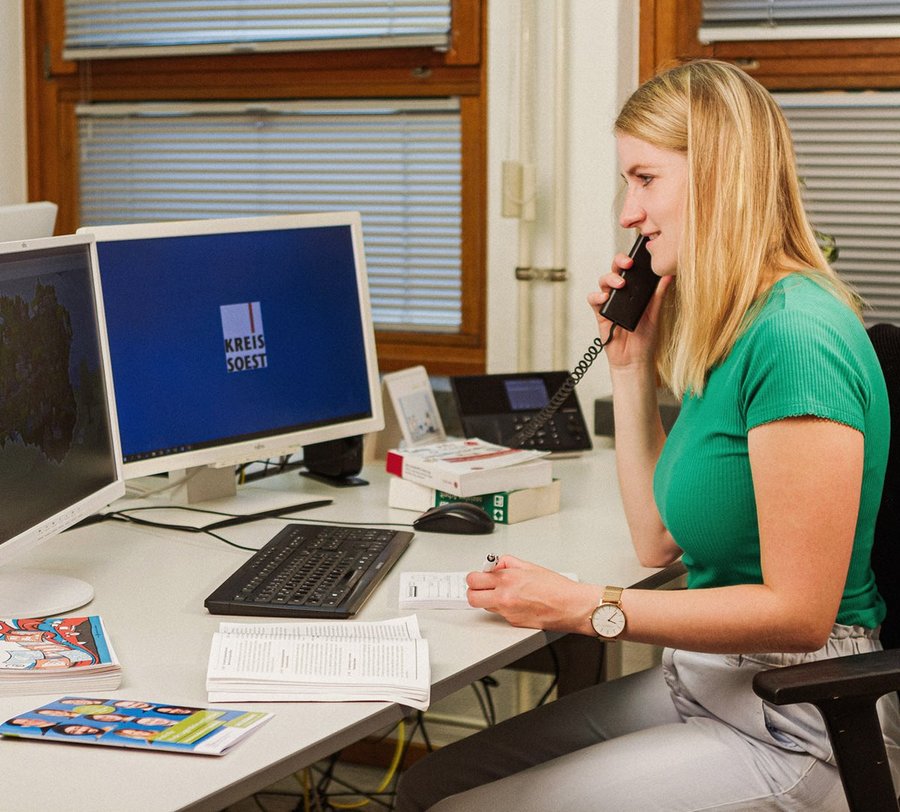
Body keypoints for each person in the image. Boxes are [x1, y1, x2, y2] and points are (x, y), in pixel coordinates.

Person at [395, 58, 900, 811]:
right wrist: (630, 367)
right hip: (711, 679)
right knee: (428, 785)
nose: (628, 213)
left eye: (644, 178)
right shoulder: (734, 324)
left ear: (720, 176)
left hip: (801, 718)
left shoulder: (795, 338)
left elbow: (801, 613)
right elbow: (657, 542)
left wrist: (581, 605)